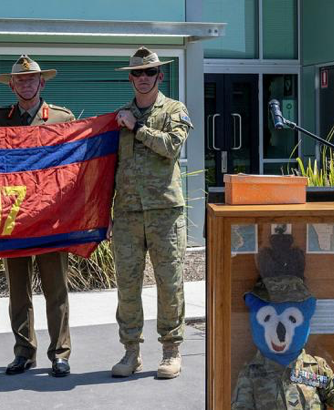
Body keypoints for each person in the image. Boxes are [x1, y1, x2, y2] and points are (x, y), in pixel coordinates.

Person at [0, 55, 75, 377]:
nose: (26, 84)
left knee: (56, 288)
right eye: (20, 80)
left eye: (31, 79)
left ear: (42, 82)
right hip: (14, 216)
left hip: (50, 216)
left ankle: (60, 352)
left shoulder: (61, 118)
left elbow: (73, 166)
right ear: (12, 85)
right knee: (18, 289)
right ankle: (24, 351)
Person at [110, 47, 193, 379]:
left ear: (160, 76)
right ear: (130, 78)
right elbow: (109, 170)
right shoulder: (119, 118)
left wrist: (137, 129)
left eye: (149, 72)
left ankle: (171, 351)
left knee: (169, 284)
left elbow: (172, 146)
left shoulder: (174, 110)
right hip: (128, 214)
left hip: (164, 213)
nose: (142, 78)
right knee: (127, 287)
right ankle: (131, 352)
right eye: (137, 73)